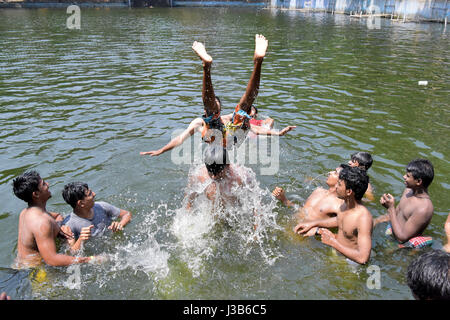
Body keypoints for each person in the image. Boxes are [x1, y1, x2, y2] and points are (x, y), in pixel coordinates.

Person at [140, 34, 296, 157]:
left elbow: (257, 129)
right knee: (240, 109)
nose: (214, 102)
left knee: (241, 109)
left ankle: (208, 66)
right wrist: (162, 150)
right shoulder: (204, 121)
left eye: (216, 101)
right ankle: (257, 61)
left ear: (219, 105)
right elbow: (179, 139)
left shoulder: (216, 119)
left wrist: (277, 133)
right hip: (224, 140)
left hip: (224, 139)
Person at [294, 165, 373, 265]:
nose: (336, 187)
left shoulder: (363, 218)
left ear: (349, 192)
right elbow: (339, 220)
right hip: (337, 252)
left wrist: (332, 242)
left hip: (350, 264)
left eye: (339, 185)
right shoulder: (345, 204)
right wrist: (313, 223)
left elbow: (363, 258)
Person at [12, 171, 92, 267]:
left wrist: (59, 227)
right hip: (36, 271)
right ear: (36, 194)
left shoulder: (26, 212)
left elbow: (57, 216)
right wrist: (89, 259)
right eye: (44, 184)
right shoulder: (41, 222)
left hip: (19, 265)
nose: (48, 184)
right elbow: (52, 260)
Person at [373, 159, 434, 249]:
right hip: (394, 230)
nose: (404, 176)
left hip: (405, 246)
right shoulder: (408, 191)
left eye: (408, 176)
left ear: (418, 181)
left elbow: (402, 238)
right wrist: (376, 221)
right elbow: (396, 213)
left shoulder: (424, 208)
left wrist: (390, 208)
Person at [272, 165, 345, 236]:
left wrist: (319, 232)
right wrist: (283, 198)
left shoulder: (339, 205)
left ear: (342, 181)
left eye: (335, 172)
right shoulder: (318, 191)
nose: (330, 172)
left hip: (302, 238)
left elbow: (347, 228)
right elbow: (302, 210)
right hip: (286, 226)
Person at [62, 182, 132, 251]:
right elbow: (69, 255)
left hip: (115, 245)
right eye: (89, 194)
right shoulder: (69, 226)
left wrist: (120, 224)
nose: (94, 194)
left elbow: (127, 214)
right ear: (81, 203)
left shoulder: (101, 206)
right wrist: (81, 239)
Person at [185, 146, 251, 210]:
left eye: (218, 172)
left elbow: (255, 203)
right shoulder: (198, 176)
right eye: (210, 172)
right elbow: (189, 203)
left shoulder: (241, 176)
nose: (214, 176)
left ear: (228, 165)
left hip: (234, 210)